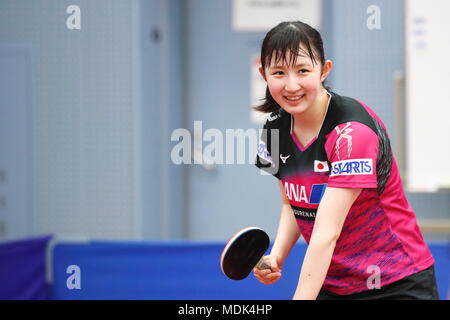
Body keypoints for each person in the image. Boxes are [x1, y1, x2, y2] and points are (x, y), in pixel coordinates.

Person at [253, 21, 439, 300]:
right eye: (279, 72)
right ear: (263, 74)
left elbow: (326, 233)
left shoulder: (351, 132)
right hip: (333, 282)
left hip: (396, 282)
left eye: (303, 70)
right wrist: (276, 255)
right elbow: (292, 203)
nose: (291, 85)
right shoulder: (274, 130)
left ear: (324, 70)